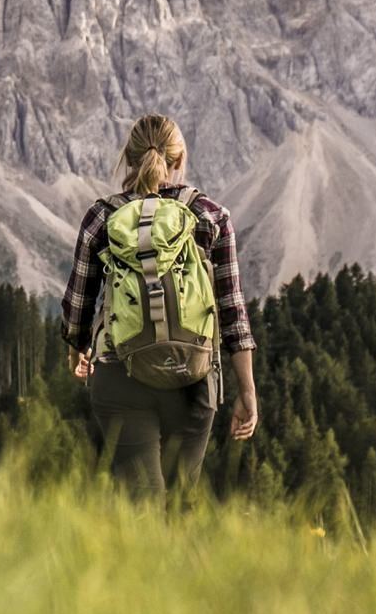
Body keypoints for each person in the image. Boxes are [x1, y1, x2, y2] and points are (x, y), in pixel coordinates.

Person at [60, 113, 258, 494]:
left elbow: (77, 308)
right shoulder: (210, 216)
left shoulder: (102, 217)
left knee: (141, 509)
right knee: (182, 504)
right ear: (179, 160)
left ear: (128, 159)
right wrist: (247, 392)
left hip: (120, 375)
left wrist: (77, 352)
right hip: (194, 376)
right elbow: (233, 313)